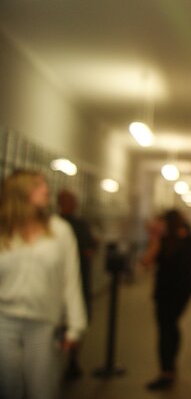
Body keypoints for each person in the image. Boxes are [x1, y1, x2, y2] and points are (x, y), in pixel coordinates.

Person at [0, 170, 87, 398]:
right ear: (20, 191)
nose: (46, 190)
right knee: (8, 387)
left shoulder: (60, 230)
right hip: (4, 321)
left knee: (43, 389)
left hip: (43, 322)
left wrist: (75, 325)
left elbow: (71, 279)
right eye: (38, 185)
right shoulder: (3, 230)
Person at [141, 209, 191, 391]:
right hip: (184, 291)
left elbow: (146, 262)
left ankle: (166, 371)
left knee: (165, 329)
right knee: (172, 325)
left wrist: (153, 240)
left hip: (166, 292)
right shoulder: (189, 239)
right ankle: (171, 366)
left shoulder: (163, 241)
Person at [57, 189, 97, 381]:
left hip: (75, 278)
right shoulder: (63, 226)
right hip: (74, 278)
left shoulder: (59, 225)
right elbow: (90, 248)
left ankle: (70, 360)